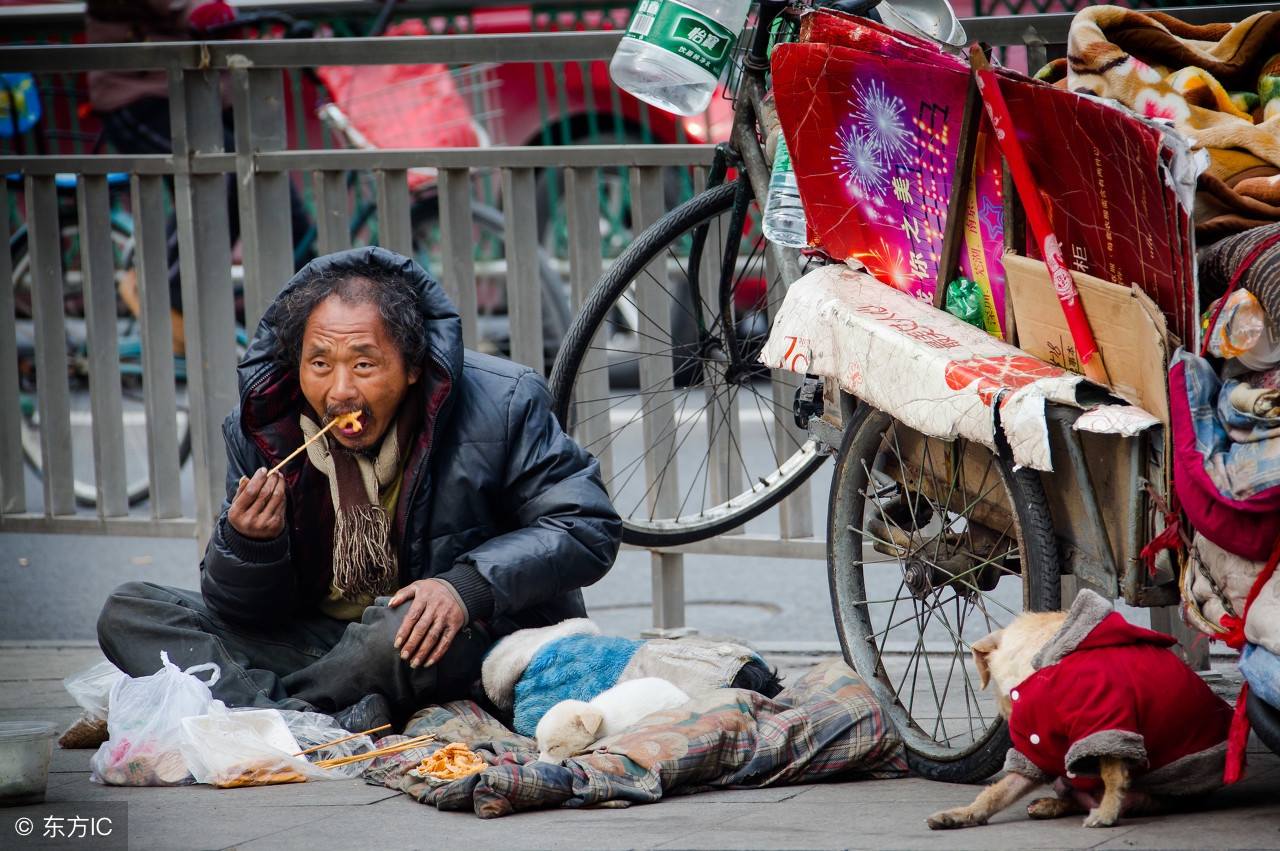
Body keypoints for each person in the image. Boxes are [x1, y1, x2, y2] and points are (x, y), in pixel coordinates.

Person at [95, 247, 622, 732]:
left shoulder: (504, 401)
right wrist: (249, 546)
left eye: (365, 364)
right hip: (319, 643)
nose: (340, 391)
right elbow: (244, 613)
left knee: (395, 631)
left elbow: (584, 526)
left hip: (449, 639)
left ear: (414, 365)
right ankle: (315, 718)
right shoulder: (265, 427)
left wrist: (466, 588)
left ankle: (265, 714)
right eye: (320, 364)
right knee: (131, 611)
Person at [86, 0, 315, 354]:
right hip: (141, 88)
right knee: (218, 173)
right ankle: (168, 290)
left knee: (269, 177)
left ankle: (312, 305)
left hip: (206, 86)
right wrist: (191, 7)